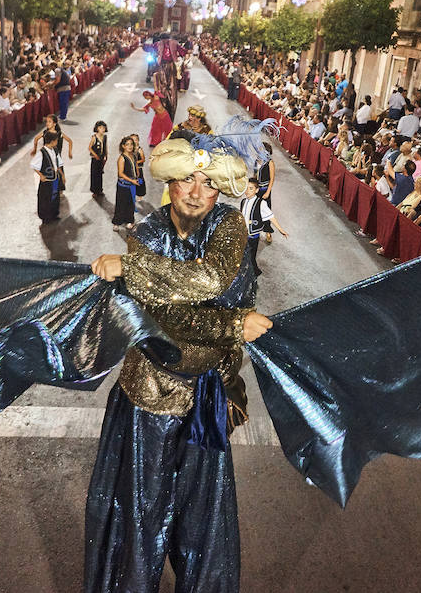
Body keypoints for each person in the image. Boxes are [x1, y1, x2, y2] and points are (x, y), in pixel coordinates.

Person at [86, 130, 273, 593]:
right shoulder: (146, 235)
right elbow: (163, 318)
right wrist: (232, 325)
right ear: (170, 181)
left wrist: (133, 272)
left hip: (208, 397)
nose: (196, 191)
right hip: (148, 395)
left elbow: (212, 281)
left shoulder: (229, 227)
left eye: (208, 182)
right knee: (142, 513)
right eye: (187, 179)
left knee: (202, 516)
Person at [240, 177, 288, 275]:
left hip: (253, 236)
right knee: (242, 255)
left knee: (250, 257)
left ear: (257, 190)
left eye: (251, 188)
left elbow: (271, 216)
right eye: (246, 188)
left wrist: (280, 229)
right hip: (243, 234)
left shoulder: (261, 203)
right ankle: (246, 272)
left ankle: (254, 273)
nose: (247, 191)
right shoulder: (243, 201)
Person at [30, 131, 63, 224]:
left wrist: (61, 175)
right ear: (52, 141)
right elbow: (33, 165)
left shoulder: (55, 150)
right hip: (47, 180)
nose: (57, 142)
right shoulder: (42, 152)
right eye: (56, 140)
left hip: (55, 178)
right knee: (45, 198)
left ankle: (54, 214)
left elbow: (58, 163)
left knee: (55, 196)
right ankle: (45, 217)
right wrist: (41, 175)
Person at [112, 136, 139, 231]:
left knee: (130, 203)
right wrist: (132, 180)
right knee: (121, 203)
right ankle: (117, 222)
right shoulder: (122, 158)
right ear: (123, 146)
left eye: (131, 144)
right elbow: (120, 173)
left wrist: (137, 176)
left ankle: (129, 220)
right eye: (127, 144)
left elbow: (135, 167)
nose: (130, 146)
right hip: (123, 185)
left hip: (132, 184)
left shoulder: (134, 155)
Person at [88, 121, 107, 197]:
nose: (102, 129)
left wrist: (106, 155)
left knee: (100, 174)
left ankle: (100, 189)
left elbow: (106, 146)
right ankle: (94, 190)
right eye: (100, 128)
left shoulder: (105, 137)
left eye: (103, 128)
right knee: (94, 174)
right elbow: (89, 148)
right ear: (97, 128)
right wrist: (95, 155)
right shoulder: (94, 137)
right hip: (95, 159)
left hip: (102, 158)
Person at [131, 133, 146, 202]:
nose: (134, 141)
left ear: (138, 141)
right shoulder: (130, 149)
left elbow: (143, 159)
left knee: (139, 181)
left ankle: (140, 194)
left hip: (138, 168)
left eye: (136, 140)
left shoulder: (139, 150)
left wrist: (135, 162)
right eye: (132, 140)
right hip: (132, 168)